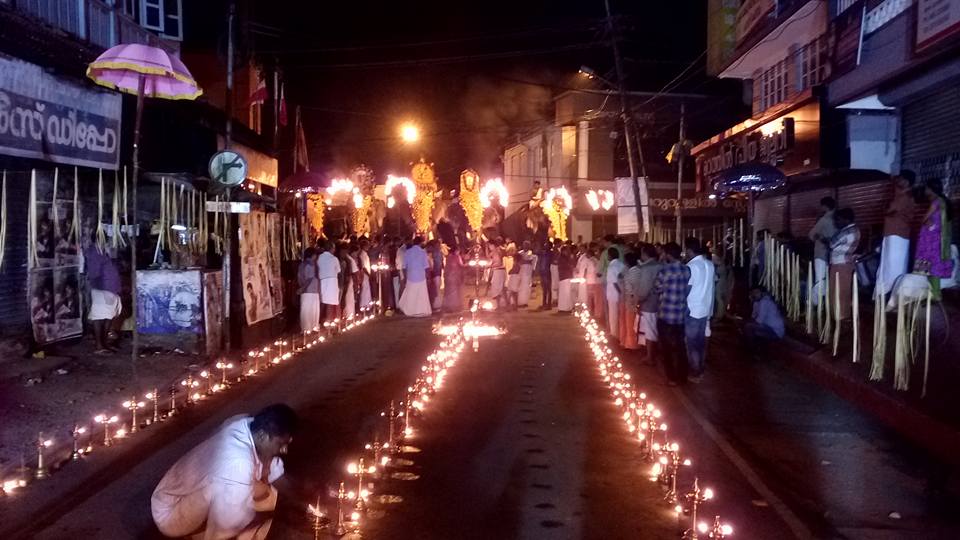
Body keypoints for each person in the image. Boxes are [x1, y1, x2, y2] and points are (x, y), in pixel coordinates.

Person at [152, 404, 297, 540]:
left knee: (267, 496)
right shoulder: (238, 461)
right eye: (281, 444)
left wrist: (297, 495)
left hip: (196, 495)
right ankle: (201, 533)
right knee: (242, 508)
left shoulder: (247, 423)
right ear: (262, 435)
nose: (285, 450)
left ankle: (206, 528)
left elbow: (273, 470)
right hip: (171, 514)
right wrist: (255, 519)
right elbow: (228, 523)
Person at [654, 242, 691, 386]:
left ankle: (671, 378)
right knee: (681, 346)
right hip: (680, 314)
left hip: (665, 313)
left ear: (668, 254)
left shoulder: (665, 271)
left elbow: (657, 288)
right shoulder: (686, 270)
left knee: (666, 347)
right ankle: (683, 376)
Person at [914, 178, 955, 299]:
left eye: (927, 188)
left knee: (931, 267)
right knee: (934, 266)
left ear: (931, 189)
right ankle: (934, 294)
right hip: (938, 239)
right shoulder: (944, 202)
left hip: (931, 240)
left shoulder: (935, 202)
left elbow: (924, 219)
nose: (925, 190)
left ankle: (935, 295)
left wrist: (925, 221)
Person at [875, 173, 915, 295]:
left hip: (897, 234)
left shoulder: (905, 197)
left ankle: (891, 294)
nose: (898, 182)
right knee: (890, 265)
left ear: (907, 182)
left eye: (901, 179)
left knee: (892, 266)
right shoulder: (901, 195)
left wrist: (886, 209)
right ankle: (888, 293)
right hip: (895, 233)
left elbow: (889, 210)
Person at [684, 237, 715, 383]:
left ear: (689, 250)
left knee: (692, 345)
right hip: (705, 309)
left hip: (692, 309)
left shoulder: (691, 267)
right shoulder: (709, 264)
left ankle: (695, 372)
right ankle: (700, 368)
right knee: (701, 343)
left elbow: (686, 289)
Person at [85, 238, 121, 355]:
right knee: (100, 316)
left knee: (108, 316)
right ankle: (99, 346)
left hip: (110, 287)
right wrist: (99, 285)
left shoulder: (104, 251)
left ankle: (104, 343)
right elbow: (94, 272)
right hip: (102, 287)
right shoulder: (95, 251)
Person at [827, 208, 860, 320]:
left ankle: (840, 316)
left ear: (846, 219)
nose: (837, 222)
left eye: (838, 220)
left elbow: (832, 244)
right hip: (844, 264)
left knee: (838, 291)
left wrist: (823, 239)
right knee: (843, 290)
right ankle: (841, 314)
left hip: (840, 264)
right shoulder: (853, 229)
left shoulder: (847, 231)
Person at [635, 243, 662, 366]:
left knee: (649, 330)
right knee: (655, 328)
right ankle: (652, 354)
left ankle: (650, 356)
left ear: (645, 254)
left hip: (649, 303)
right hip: (660, 302)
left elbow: (644, 289)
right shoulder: (660, 265)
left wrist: (639, 300)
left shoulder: (647, 268)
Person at [809, 197, 837, 304]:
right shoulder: (837, 218)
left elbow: (811, 235)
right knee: (828, 278)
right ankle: (824, 303)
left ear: (824, 206)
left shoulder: (824, 220)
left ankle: (814, 303)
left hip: (821, 252)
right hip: (833, 254)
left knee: (820, 279)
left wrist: (818, 237)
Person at [743, 286, 785, 357]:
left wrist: (747, 322)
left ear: (762, 293)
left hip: (775, 331)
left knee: (748, 327)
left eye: (757, 292)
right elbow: (753, 317)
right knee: (748, 326)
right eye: (753, 293)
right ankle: (755, 350)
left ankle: (753, 352)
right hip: (767, 328)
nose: (755, 294)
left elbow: (758, 321)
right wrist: (753, 303)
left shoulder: (765, 302)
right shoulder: (757, 302)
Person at [398, 236, 432, 317]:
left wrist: (405, 277)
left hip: (411, 276)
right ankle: (422, 310)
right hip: (421, 276)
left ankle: (410, 310)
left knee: (411, 294)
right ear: (420, 243)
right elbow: (426, 266)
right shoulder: (423, 252)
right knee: (421, 295)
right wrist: (428, 277)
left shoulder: (408, 252)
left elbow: (404, 267)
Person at [619, 252, 642, 350]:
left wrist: (632, 299)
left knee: (631, 322)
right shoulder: (634, 270)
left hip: (631, 300)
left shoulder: (634, 272)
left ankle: (632, 344)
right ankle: (629, 342)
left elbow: (634, 288)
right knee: (629, 321)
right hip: (629, 298)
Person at [316, 241, 341, 326]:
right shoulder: (334, 259)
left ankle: (319, 320)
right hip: (332, 281)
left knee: (322, 301)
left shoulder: (319, 258)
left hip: (322, 280)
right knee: (331, 302)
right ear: (331, 249)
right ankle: (329, 319)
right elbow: (338, 270)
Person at [298, 248, 320, 333]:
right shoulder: (310, 264)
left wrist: (302, 287)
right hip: (310, 289)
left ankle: (307, 328)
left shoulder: (303, 264)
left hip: (308, 290)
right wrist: (303, 288)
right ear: (313, 255)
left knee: (307, 309)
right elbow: (309, 278)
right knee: (312, 309)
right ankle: (312, 326)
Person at [605, 246, 624, 337]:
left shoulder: (611, 267)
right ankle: (620, 333)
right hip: (621, 292)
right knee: (620, 314)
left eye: (608, 255)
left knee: (613, 314)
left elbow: (614, 282)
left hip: (613, 293)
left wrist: (620, 293)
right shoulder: (621, 264)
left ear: (610, 255)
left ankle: (614, 333)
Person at [443, 246, 465, 313]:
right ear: (456, 251)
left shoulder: (448, 257)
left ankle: (448, 306)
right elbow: (461, 265)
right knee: (454, 292)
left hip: (448, 277)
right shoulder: (457, 257)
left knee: (449, 292)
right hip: (455, 277)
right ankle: (454, 307)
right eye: (458, 251)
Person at [712, 253, 734, 321]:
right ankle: (721, 313)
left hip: (720, 282)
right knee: (721, 298)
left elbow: (719, 273)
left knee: (719, 298)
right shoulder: (723, 263)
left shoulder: (719, 262)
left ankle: (719, 315)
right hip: (723, 282)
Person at [486, 239, 506, 307]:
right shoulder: (495, 251)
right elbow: (488, 257)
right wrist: (486, 248)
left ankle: (500, 305)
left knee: (497, 288)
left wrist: (490, 266)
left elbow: (498, 263)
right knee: (499, 288)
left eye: (489, 246)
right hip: (498, 271)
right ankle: (501, 305)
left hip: (499, 271)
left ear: (493, 245)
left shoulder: (497, 251)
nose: (489, 247)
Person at [556, 245, 576, 313]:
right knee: (565, 293)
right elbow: (566, 266)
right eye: (567, 250)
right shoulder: (562, 258)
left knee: (565, 293)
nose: (568, 252)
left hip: (565, 277)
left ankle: (565, 307)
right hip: (565, 277)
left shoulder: (564, 258)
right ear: (563, 251)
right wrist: (571, 266)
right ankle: (565, 308)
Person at [517, 242, 536, 308]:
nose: (526, 246)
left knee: (526, 287)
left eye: (527, 245)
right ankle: (519, 302)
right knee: (520, 286)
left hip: (528, 271)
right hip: (520, 271)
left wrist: (524, 261)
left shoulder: (531, 253)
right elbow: (518, 261)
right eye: (524, 245)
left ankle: (524, 302)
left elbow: (532, 262)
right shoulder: (520, 253)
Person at [536, 241, 554, 310]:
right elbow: (537, 252)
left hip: (547, 272)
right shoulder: (543, 253)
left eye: (546, 245)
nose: (545, 246)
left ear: (549, 246)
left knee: (548, 289)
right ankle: (544, 303)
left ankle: (548, 304)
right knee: (544, 289)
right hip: (543, 272)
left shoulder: (550, 253)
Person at [358, 238, 373, 311]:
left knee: (367, 289)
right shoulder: (362, 254)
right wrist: (368, 274)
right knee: (364, 289)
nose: (368, 247)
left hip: (367, 274)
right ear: (364, 246)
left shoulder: (365, 254)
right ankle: (363, 305)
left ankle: (367, 304)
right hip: (364, 274)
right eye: (367, 245)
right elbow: (363, 266)